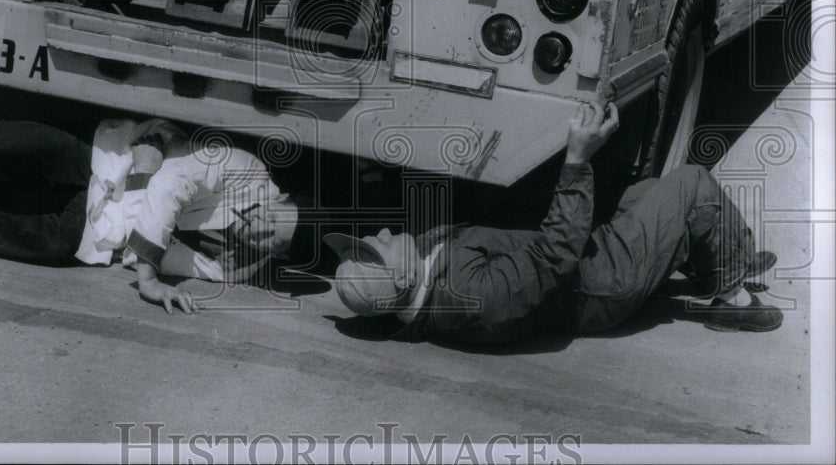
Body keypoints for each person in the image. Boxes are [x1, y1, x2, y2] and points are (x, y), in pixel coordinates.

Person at [324, 103, 782, 345]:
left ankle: (722, 255)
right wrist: (577, 158)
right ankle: (731, 300)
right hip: (605, 283)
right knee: (691, 184)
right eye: (377, 247)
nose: (378, 233)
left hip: (591, 265)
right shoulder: (475, 298)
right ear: (402, 278)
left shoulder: (423, 283)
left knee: (642, 195)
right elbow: (557, 255)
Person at [0, 118, 299, 315]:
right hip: (108, 165)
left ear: (274, 256)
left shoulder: (234, 265)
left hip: (108, 228)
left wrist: (143, 260)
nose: (259, 231)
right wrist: (149, 281)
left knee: (57, 242)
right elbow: (172, 184)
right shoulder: (246, 170)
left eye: (268, 242)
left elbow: (151, 253)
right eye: (270, 222)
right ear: (277, 201)